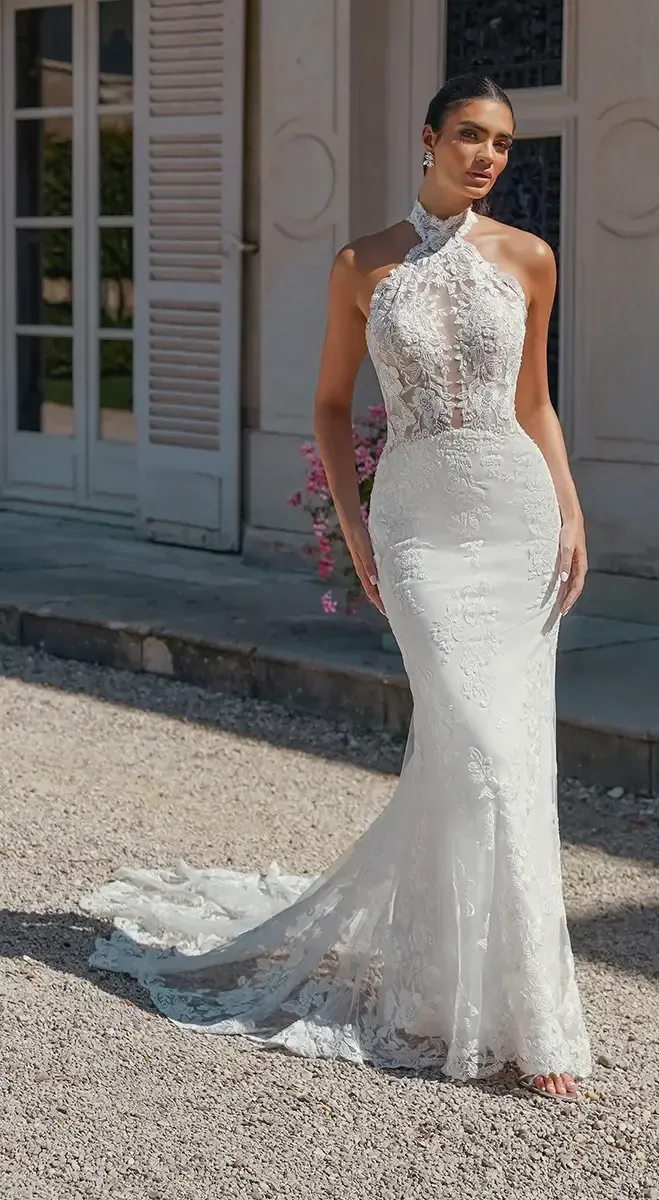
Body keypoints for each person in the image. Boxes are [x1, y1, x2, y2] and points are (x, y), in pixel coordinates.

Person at [79, 73, 592, 1103]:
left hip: (514, 518)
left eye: (501, 142)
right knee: (478, 747)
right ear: (426, 137)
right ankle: (468, 999)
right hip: (416, 530)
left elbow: (533, 401)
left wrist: (571, 512)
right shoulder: (364, 263)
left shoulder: (529, 259)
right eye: (468, 136)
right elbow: (325, 406)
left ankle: (501, 1012)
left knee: (497, 756)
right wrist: (358, 527)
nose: (487, 155)